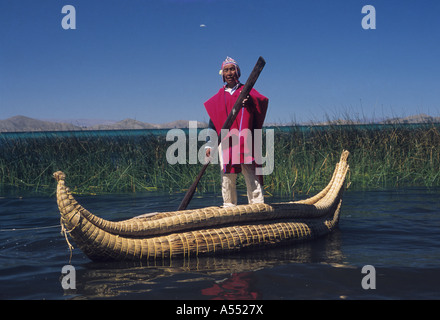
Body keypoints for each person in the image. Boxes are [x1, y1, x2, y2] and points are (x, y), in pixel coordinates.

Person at [204, 56, 269, 207]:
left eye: (232, 69)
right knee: (227, 174)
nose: (229, 73)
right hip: (226, 140)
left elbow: (262, 102)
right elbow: (212, 122)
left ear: (238, 72)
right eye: (226, 70)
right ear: (222, 74)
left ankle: (257, 205)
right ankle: (229, 206)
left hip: (245, 138)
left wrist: (251, 102)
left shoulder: (247, 91)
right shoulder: (218, 98)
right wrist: (209, 144)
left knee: (250, 172)